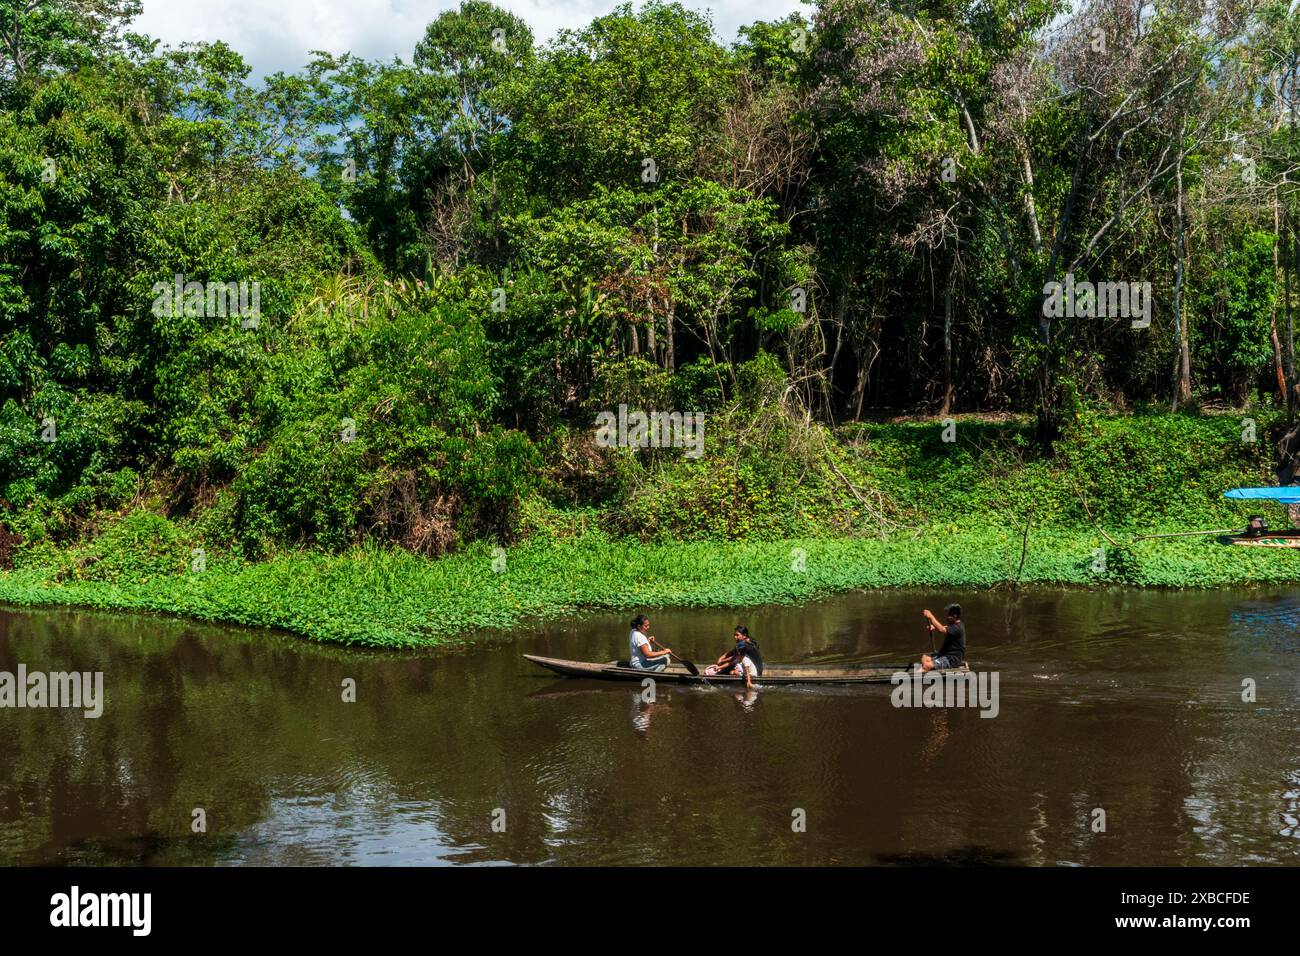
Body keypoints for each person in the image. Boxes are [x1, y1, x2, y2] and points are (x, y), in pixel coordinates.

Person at [921, 604, 966, 671]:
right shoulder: (954, 625)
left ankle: (926, 669)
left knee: (926, 665)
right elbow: (945, 628)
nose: (947, 617)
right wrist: (934, 627)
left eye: (949, 615)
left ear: (955, 616)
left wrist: (931, 616)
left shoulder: (958, 628)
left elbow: (942, 629)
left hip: (951, 660)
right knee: (924, 657)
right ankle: (930, 670)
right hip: (944, 655)